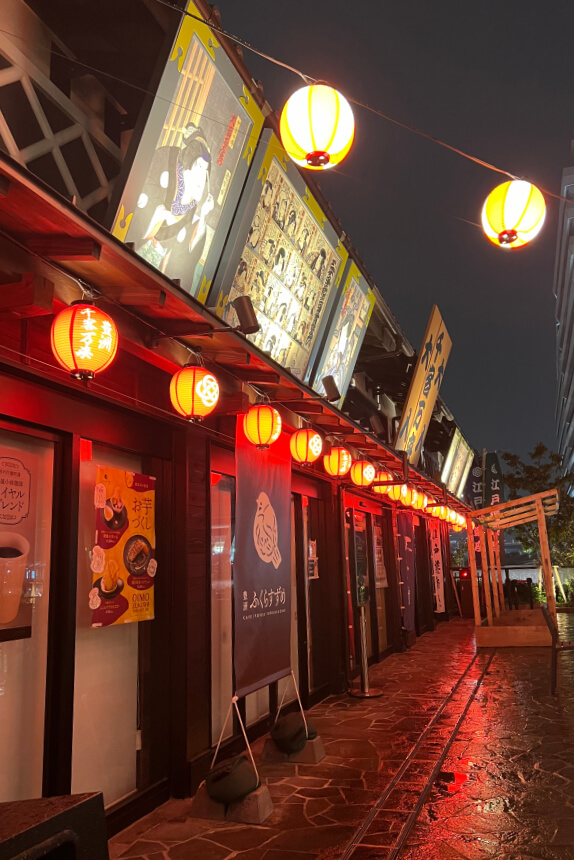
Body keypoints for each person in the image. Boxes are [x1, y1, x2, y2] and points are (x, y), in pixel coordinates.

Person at [131, 125, 214, 285]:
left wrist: (203, 217)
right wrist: (160, 213)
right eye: (198, 167)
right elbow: (144, 185)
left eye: (205, 172)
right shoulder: (166, 158)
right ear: (186, 170)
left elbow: (184, 260)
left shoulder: (193, 208)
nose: (201, 179)